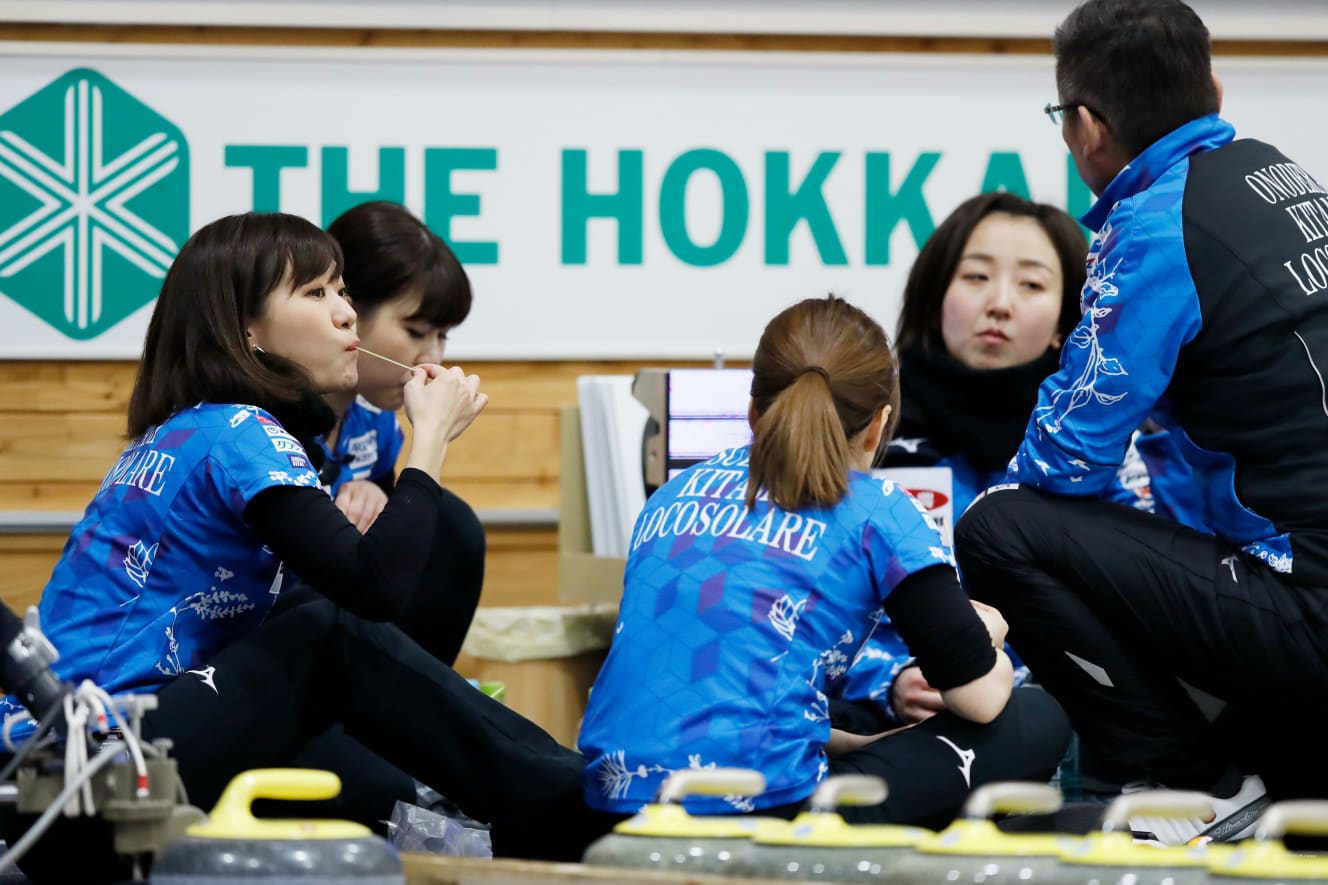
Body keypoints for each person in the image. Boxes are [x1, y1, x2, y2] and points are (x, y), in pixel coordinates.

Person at [0, 213, 602, 881]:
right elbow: (374, 590)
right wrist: (429, 441)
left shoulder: (192, 428)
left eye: (342, 290)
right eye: (316, 294)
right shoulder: (239, 431)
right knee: (326, 628)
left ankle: (545, 807)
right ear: (246, 330)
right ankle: (588, 806)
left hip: (87, 768)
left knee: (389, 788)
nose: (345, 313)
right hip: (86, 781)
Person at [954, 0, 1328, 845]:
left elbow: (1064, 464)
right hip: (1298, 587)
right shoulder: (1284, 177)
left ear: (1086, 128)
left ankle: (1196, 791)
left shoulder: (1157, 223)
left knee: (999, 527)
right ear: (1216, 91)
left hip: (1307, 608)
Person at [577, 295, 1069, 830]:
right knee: (1038, 715)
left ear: (752, 410)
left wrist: (862, 744)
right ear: (878, 426)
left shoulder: (673, 492)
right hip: (768, 816)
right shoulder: (878, 511)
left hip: (610, 805)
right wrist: (989, 633)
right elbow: (980, 699)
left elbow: (719, 699)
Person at [270, 200, 486, 828]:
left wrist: (385, 494)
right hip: (256, 659)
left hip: (346, 639)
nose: (432, 358)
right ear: (346, 311)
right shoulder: (258, 428)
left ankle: (401, 719)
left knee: (451, 528)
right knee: (389, 800)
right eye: (416, 332)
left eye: (443, 337)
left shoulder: (374, 426)